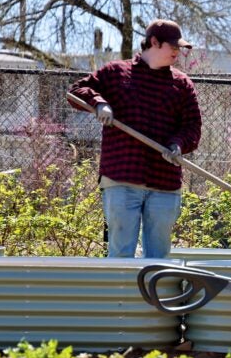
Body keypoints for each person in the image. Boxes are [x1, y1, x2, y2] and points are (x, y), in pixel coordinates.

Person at [68, 19, 202, 258]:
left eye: (179, 47)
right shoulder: (115, 73)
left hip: (165, 184)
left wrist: (178, 144)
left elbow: (193, 128)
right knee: (120, 253)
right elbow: (76, 91)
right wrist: (99, 104)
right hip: (121, 179)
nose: (177, 51)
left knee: (158, 257)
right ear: (153, 42)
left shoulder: (182, 85)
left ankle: (153, 295)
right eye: (172, 46)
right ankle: (119, 295)